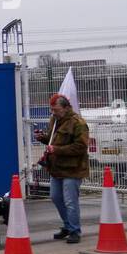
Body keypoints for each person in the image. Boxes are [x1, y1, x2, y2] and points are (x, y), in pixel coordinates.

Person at [33, 93, 89, 242]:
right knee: (56, 197)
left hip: (73, 169)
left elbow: (81, 147)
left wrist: (56, 150)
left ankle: (75, 231)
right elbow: (53, 140)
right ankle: (68, 225)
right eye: (52, 110)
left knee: (70, 201)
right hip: (57, 168)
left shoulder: (78, 123)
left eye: (56, 110)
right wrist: (43, 138)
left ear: (66, 108)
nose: (53, 113)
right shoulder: (55, 120)